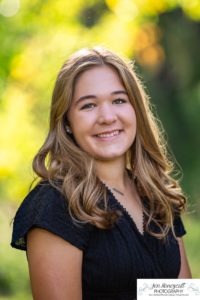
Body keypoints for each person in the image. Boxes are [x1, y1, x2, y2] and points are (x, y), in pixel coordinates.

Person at [11, 46, 192, 300]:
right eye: (88, 105)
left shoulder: (157, 195)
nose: (107, 117)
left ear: (136, 110)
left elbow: (177, 295)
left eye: (119, 100)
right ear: (67, 122)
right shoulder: (55, 206)